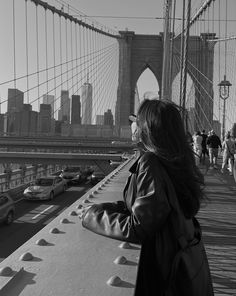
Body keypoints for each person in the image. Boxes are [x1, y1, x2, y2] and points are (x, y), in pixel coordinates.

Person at [79, 99, 213, 296]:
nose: (131, 123)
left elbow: (138, 227)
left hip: (161, 276)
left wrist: (90, 216)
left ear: (147, 128)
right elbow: (150, 206)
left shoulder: (151, 162)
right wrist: (105, 207)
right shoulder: (173, 160)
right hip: (179, 263)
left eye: (135, 119)